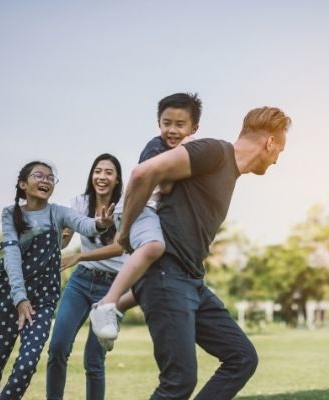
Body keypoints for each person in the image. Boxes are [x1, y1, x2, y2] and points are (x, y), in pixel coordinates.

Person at [116, 106, 291, 399]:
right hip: (166, 273)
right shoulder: (215, 152)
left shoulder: (229, 172)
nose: (276, 160)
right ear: (269, 142)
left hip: (192, 282)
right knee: (179, 381)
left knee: (242, 357)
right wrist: (124, 232)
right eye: (280, 151)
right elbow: (143, 171)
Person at [0, 161, 115, 400]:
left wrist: (100, 224)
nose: (45, 181)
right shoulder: (11, 214)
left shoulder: (58, 213)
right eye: (38, 176)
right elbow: (11, 255)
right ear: (23, 184)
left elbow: (85, 224)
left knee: (27, 365)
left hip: (42, 302)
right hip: (10, 298)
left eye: (50, 178)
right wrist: (19, 297)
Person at [89, 93, 201, 343]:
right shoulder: (156, 147)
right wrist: (184, 149)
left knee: (156, 279)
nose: (171, 130)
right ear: (158, 123)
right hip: (137, 208)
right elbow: (166, 185)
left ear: (193, 128)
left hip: (150, 212)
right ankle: (107, 303)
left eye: (179, 125)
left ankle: (115, 309)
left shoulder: (184, 151)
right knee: (154, 246)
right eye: (166, 123)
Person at [46, 153, 126, 400]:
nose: (102, 177)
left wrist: (79, 256)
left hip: (112, 288)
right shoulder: (79, 203)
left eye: (108, 172)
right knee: (57, 347)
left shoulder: (125, 205)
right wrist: (53, 234)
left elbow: (119, 247)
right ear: (92, 175)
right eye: (98, 171)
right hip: (81, 282)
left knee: (94, 359)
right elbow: (63, 240)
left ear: (117, 179)